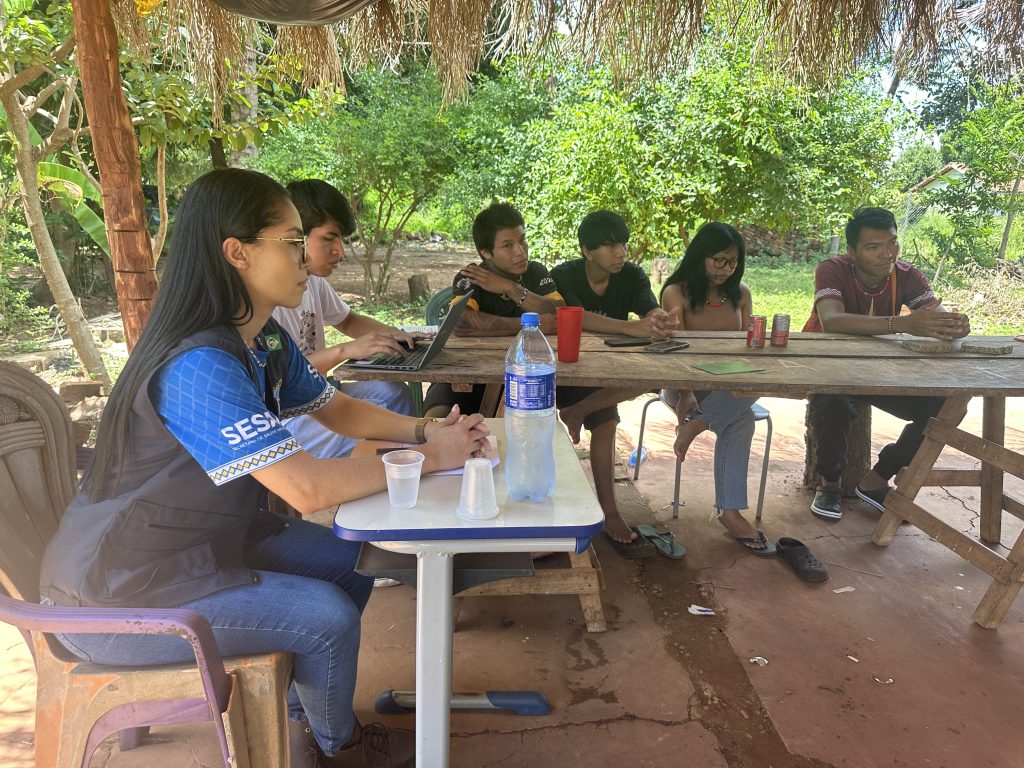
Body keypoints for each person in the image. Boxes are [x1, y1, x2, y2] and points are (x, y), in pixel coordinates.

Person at [38, 168, 488, 768]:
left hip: (200, 546)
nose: (308, 258)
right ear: (238, 252)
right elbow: (304, 487)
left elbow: (338, 409)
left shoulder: (261, 339)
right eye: (294, 241)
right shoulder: (199, 363)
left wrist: (427, 431)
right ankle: (339, 748)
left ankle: (304, 714)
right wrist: (430, 459)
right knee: (326, 617)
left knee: (354, 562)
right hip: (118, 594)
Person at [804, 206, 970, 520]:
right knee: (831, 401)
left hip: (882, 370)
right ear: (852, 251)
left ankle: (877, 478)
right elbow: (832, 320)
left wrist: (955, 325)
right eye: (873, 246)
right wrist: (902, 324)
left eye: (892, 242)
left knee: (948, 406)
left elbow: (938, 316)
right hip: (830, 366)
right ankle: (829, 484)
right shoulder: (832, 269)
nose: (887, 253)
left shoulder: (907, 275)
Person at [549, 210, 680, 555]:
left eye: (622, 243)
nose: (621, 251)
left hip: (603, 375)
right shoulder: (563, 276)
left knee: (640, 391)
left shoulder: (633, 276)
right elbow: (573, 317)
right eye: (610, 245)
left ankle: (609, 513)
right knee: (542, 419)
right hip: (564, 370)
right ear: (587, 251)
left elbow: (648, 309)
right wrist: (628, 328)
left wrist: (659, 321)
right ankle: (549, 507)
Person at [272, 179, 424, 459]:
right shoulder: (267, 296)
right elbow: (278, 379)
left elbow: (348, 320)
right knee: (389, 434)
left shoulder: (312, 281)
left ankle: (397, 469)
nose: (340, 251)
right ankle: (383, 472)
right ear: (295, 236)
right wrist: (344, 351)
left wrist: (397, 333)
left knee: (394, 395)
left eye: (341, 240)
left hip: (317, 396)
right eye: (329, 239)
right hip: (284, 418)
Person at [659, 222, 774, 555]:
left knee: (759, 380)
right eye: (719, 260)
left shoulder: (741, 294)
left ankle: (697, 426)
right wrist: (686, 393)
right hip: (684, 384)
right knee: (743, 418)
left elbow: (751, 349)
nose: (727, 269)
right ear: (700, 256)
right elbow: (672, 352)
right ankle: (730, 513)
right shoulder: (676, 293)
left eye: (733, 261)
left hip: (731, 382)